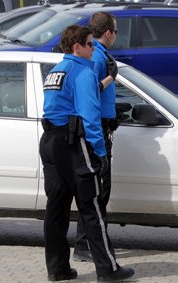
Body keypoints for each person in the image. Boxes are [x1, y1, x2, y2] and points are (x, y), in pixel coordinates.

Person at [40, 25, 134, 283]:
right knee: (92, 205)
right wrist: (100, 152)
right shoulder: (81, 72)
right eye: (90, 44)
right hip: (73, 142)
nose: (94, 49)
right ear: (77, 47)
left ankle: (58, 268)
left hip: (50, 141)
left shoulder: (57, 70)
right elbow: (90, 115)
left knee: (56, 207)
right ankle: (107, 269)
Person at [73, 12, 119, 262]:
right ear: (108, 32)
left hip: (103, 125)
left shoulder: (100, 55)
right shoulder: (98, 56)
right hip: (97, 129)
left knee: (99, 189)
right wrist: (111, 77)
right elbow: (90, 90)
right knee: (99, 189)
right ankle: (86, 244)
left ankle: (89, 242)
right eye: (116, 31)